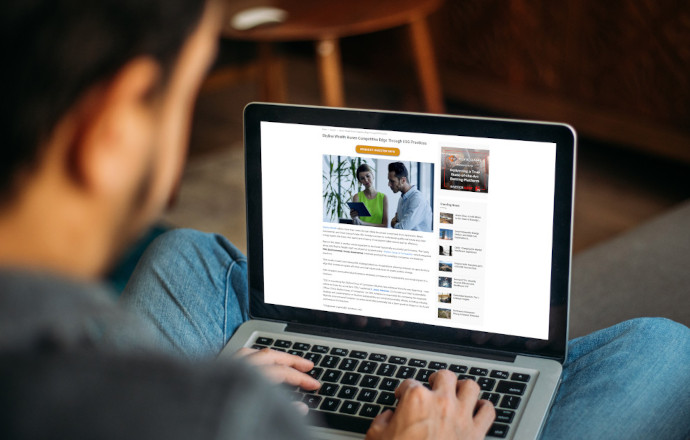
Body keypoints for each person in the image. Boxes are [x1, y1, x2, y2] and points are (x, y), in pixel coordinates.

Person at [0, 1, 689, 439]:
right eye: (186, 91)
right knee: (662, 355)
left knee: (191, 255)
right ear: (110, 129)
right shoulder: (198, 413)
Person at [388, 162, 433, 232]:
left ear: (403, 180)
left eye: (392, 181)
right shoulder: (401, 199)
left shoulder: (418, 199)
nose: (389, 184)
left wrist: (393, 224)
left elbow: (402, 229)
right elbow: (399, 223)